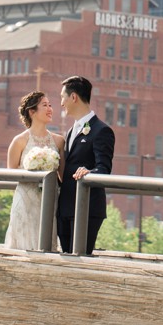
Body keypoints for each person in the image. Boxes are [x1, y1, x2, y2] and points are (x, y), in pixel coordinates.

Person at [57, 75, 115, 255]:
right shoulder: (70, 131)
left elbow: (103, 169)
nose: (61, 103)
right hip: (65, 207)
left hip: (87, 209)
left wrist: (89, 172)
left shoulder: (101, 130)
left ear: (73, 97)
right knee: (65, 260)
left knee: (80, 261)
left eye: (62, 97)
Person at [4, 90, 65, 250]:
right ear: (32, 112)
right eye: (45, 105)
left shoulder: (59, 141)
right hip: (24, 199)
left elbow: (63, 177)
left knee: (46, 245)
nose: (50, 108)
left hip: (49, 201)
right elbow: (11, 174)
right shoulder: (19, 141)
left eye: (50, 105)